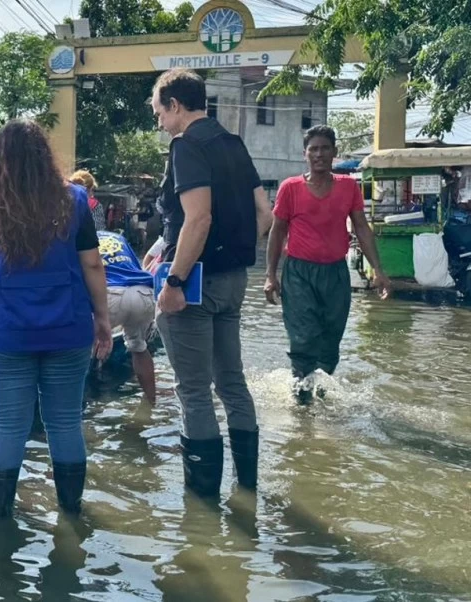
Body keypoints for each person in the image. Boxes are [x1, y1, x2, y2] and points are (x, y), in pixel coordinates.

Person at [0, 120, 113, 521]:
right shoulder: (75, 201)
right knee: (64, 422)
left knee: (8, 425)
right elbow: (93, 265)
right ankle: (71, 512)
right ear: (45, 158)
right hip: (68, 329)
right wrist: (103, 318)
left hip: (5, 334)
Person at [151, 68, 274, 496]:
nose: (160, 123)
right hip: (234, 280)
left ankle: (202, 507)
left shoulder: (186, 146)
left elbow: (198, 218)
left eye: (159, 113)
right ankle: (247, 488)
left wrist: (175, 279)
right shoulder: (234, 144)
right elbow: (265, 215)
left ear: (176, 105)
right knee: (232, 383)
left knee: (194, 392)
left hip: (194, 284)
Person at [265, 125, 391, 404]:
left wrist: (379, 272)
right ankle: (300, 402)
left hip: (335, 273)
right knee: (304, 337)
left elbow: (362, 228)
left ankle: (320, 393)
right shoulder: (290, 188)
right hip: (299, 273)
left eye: (324, 148)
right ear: (305, 154)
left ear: (334, 153)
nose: (319, 154)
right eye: (313, 149)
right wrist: (271, 275)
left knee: (330, 342)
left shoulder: (348, 187)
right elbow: (277, 232)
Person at [98, 229, 157, 405]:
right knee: (139, 347)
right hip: (143, 292)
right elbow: (136, 266)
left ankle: (85, 403)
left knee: (79, 351)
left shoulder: (79, 238)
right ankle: (150, 403)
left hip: (110, 294)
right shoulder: (118, 238)